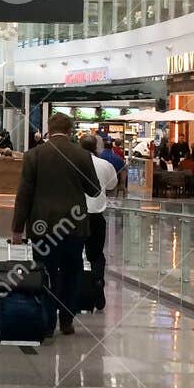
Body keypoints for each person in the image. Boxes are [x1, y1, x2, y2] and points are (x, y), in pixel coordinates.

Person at [10, 111, 100, 336]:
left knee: (45, 273)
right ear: (70, 131)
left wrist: (17, 229)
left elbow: (24, 195)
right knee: (72, 272)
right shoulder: (81, 155)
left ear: (49, 129)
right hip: (74, 226)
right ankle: (67, 319)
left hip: (42, 226)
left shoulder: (34, 155)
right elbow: (94, 189)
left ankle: (48, 320)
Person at [80, 133, 119, 311]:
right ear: (96, 147)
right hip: (96, 216)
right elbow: (112, 185)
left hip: (75, 217)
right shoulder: (105, 164)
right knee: (96, 255)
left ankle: (78, 291)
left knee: (74, 255)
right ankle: (97, 281)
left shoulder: (73, 163)